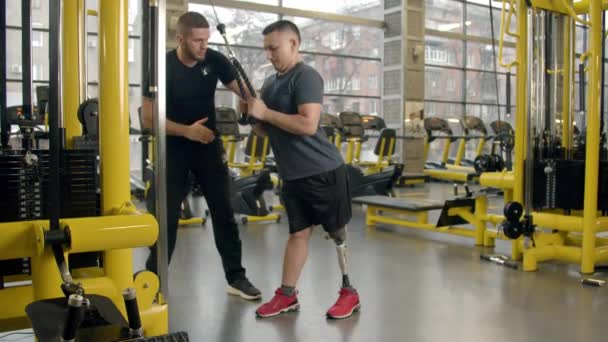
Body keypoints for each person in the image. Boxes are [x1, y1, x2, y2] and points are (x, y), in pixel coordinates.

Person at [142, 12, 260, 300]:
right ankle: (153, 281)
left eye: (207, 40)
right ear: (180, 39)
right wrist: (186, 131)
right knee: (165, 217)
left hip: (208, 146)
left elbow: (245, 94)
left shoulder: (215, 59)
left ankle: (236, 277)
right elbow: (147, 118)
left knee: (224, 212)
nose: (204, 46)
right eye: (198, 41)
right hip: (174, 145)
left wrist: (248, 101)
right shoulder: (161, 66)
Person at [246, 20, 361, 319]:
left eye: (274, 48)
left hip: (323, 170)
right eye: (266, 50)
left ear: (294, 44)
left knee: (337, 232)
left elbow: (308, 124)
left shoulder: (307, 76)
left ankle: (350, 292)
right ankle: (287, 295)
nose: (269, 55)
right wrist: (253, 115)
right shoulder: (270, 83)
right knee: (298, 234)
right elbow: (265, 130)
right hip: (292, 175)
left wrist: (266, 112)